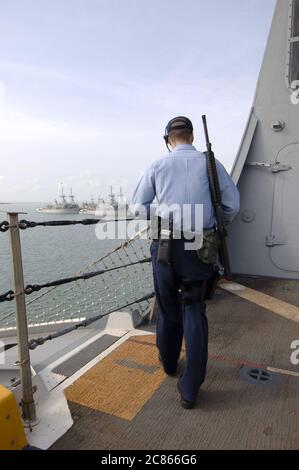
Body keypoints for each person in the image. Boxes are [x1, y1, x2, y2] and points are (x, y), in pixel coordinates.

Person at [132, 116, 240, 409]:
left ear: (169, 140)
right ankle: (190, 388)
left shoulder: (157, 165)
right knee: (194, 309)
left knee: (167, 306)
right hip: (201, 245)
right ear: (191, 137)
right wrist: (214, 228)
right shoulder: (211, 165)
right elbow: (231, 205)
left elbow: (137, 206)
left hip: (165, 243)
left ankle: (168, 363)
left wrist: (160, 224)